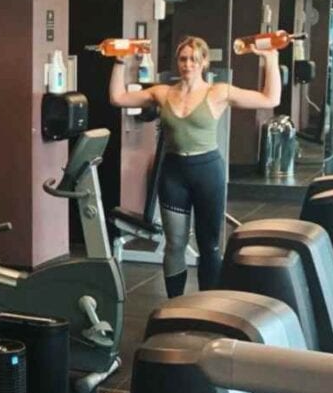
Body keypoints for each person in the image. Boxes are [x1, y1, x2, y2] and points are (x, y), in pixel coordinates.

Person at [109, 36, 279, 297]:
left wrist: (270, 59)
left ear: (204, 63)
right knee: (175, 244)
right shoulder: (162, 93)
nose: (188, 64)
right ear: (177, 61)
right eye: (183, 59)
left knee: (209, 245)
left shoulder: (218, 92)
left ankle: (207, 306)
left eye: (194, 59)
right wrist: (120, 61)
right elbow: (118, 98)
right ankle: (175, 305)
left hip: (207, 172)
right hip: (173, 173)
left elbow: (270, 99)